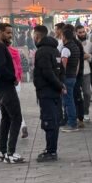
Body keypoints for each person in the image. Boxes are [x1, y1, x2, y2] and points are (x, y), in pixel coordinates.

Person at [0, 23, 25, 163]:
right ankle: (10, 153)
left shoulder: (0, 46)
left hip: (2, 87)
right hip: (6, 87)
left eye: (11, 33)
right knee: (16, 117)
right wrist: (14, 78)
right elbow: (1, 68)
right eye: (7, 33)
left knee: (6, 119)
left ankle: (2, 151)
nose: (10, 35)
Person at [32, 25, 65, 162]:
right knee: (53, 120)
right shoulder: (55, 50)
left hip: (47, 92)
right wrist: (60, 85)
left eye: (34, 36)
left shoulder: (42, 52)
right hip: (54, 92)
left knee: (49, 121)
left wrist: (59, 86)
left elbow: (47, 72)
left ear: (37, 36)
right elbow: (61, 70)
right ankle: (50, 149)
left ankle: (51, 151)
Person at [60, 25, 81, 132]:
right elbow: (77, 63)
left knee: (68, 101)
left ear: (64, 37)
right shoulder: (75, 47)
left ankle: (72, 123)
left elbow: (63, 65)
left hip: (67, 77)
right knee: (70, 99)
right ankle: (71, 121)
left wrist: (61, 77)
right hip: (73, 76)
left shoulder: (66, 49)